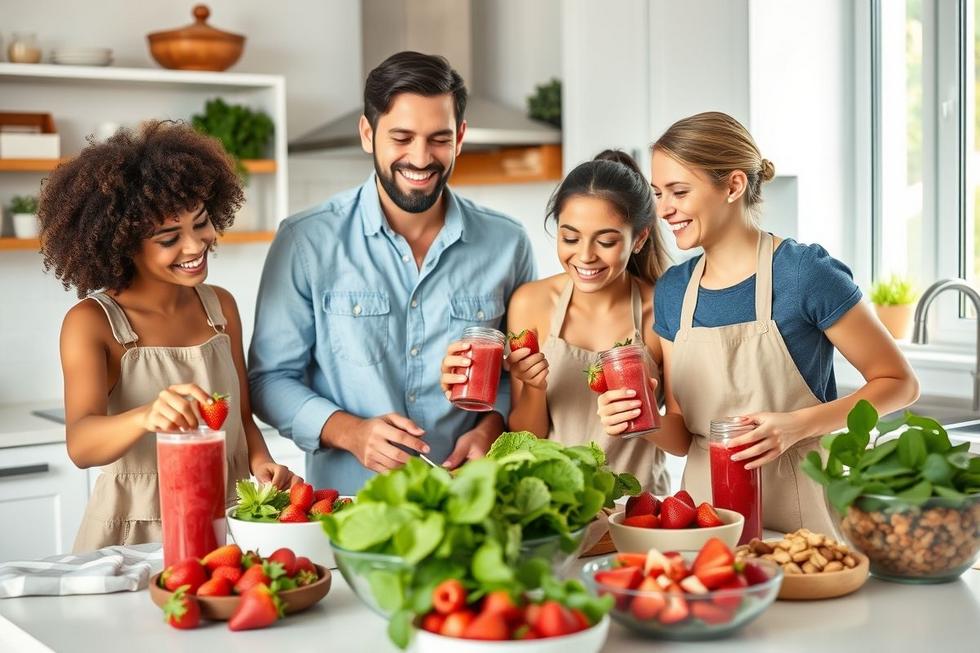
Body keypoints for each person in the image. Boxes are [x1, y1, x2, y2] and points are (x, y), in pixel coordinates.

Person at [599, 111, 919, 533]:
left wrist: (796, 426)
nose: (663, 210)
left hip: (802, 515)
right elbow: (682, 437)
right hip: (707, 519)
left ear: (733, 186)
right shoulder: (675, 289)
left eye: (678, 191)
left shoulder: (803, 274)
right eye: (658, 194)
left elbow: (900, 384)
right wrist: (641, 420)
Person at [248, 51, 536, 495]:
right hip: (351, 508)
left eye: (438, 139)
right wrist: (349, 431)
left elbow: (516, 373)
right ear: (368, 133)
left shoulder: (507, 243)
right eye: (402, 137)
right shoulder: (305, 241)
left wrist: (490, 428)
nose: (420, 158)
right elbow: (268, 381)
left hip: (470, 503)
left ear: (460, 137)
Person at [39, 121, 300, 552]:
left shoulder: (220, 307)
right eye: (169, 238)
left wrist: (261, 461)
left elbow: (240, 418)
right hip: (138, 532)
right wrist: (146, 416)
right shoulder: (93, 322)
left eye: (201, 223)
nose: (195, 246)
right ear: (123, 244)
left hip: (227, 519)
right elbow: (81, 445)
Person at [440, 151, 686, 492]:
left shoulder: (663, 307)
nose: (585, 256)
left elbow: (682, 440)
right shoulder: (531, 302)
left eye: (606, 241)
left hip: (635, 506)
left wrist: (645, 417)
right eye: (570, 238)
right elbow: (527, 435)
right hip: (554, 504)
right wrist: (534, 388)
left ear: (639, 239)